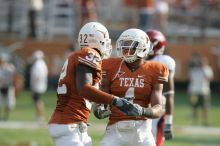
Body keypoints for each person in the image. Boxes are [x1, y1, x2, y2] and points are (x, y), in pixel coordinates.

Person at [47, 22, 142, 146]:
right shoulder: (89, 53)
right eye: (105, 40)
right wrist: (116, 101)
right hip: (69, 125)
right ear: (98, 39)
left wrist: (97, 106)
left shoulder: (80, 55)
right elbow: (84, 89)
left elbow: (81, 91)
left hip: (71, 124)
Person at [93, 28, 169, 146]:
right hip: (115, 130)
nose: (125, 49)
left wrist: (142, 111)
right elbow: (102, 99)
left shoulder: (156, 69)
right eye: (124, 45)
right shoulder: (110, 66)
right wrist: (98, 109)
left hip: (142, 131)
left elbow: (158, 108)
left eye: (130, 45)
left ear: (143, 47)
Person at [146, 29, 176, 146]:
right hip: (138, 109)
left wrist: (169, 122)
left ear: (156, 45)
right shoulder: (137, 60)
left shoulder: (163, 62)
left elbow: (169, 94)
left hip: (155, 110)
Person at [187, 53, 213, 126]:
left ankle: (205, 121)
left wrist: (203, 70)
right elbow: (191, 79)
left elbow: (209, 78)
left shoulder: (207, 69)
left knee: (205, 107)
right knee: (194, 107)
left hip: (204, 91)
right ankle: (195, 121)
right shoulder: (194, 70)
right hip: (194, 91)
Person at [30, 50, 48, 123]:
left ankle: (40, 117)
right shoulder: (42, 63)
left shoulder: (37, 64)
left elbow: (36, 76)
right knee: (38, 101)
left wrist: (33, 86)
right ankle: (39, 116)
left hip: (37, 86)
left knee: (38, 101)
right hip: (41, 85)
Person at [0, 53, 16, 121]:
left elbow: (13, 76)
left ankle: (6, 116)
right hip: (1, 87)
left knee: (9, 103)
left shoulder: (10, 67)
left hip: (8, 86)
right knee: (1, 102)